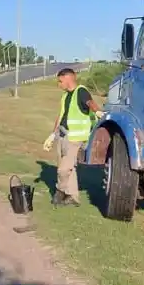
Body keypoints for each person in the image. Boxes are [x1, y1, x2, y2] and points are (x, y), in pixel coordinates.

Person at [42, 68, 100, 207]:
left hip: (75, 138)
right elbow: (60, 115)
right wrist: (52, 134)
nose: (59, 84)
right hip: (62, 135)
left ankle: (60, 191)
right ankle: (73, 197)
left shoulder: (81, 91)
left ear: (68, 78)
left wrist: (97, 111)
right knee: (70, 169)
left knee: (63, 169)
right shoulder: (65, 96)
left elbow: (89, 102)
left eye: (60, 81)